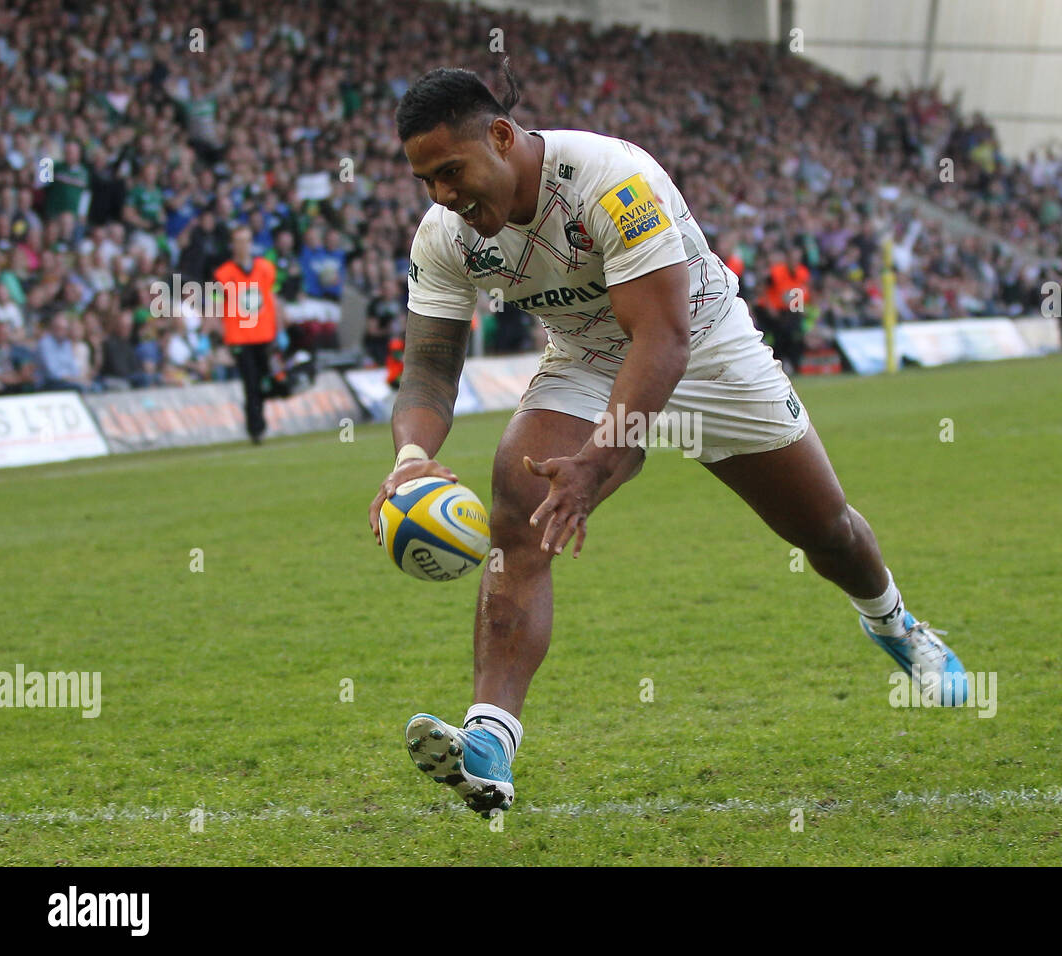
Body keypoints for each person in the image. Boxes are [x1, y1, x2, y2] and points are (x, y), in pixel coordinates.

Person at [367, 65, 967, 819]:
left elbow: (665, 335)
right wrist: (411, 459)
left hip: (705, 347)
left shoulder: (609, 181)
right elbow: (427, 368)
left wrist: (603, 457)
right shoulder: (446, 238)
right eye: (426, 181)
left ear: (500, 135)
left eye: (450, 172)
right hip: (588, 359)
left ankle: (894, 622)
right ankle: (489, 746)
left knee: (825, 529)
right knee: (518, 504)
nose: (443, 195)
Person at [214, 225, 278, 443]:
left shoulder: (265, 268)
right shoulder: (224, 274)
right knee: (250, 383)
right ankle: (256, 427)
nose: (243, 245)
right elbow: (218, 305)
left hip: (263, 333)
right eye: (239, 241)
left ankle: (259, 419)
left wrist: (277, 325)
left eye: (246, 240)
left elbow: (272, 297)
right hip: (240, 336)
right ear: (233, 245)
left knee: (264, 381)